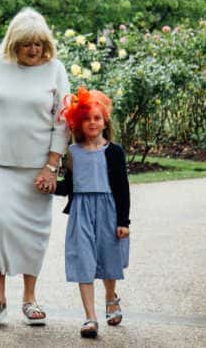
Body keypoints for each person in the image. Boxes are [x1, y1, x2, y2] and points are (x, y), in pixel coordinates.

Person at [0, 7, 70, 327]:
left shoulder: (55, 69)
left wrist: (52, 165)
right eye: (26, 44)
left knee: (34, 231)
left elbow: (61, 122)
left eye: (38, 44)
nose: (33, 50)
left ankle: (30, 298)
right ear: (13, 43)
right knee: (0, 223)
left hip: (38, 166)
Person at [55, 87, 130, 339]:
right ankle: (90, 317)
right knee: (83, 260)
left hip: (109, 210)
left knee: (109, 258)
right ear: (78, 122)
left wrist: (123, 221)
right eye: (86, 119)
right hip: (81, 212)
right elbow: (69, 186)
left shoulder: (114, 152)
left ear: (104, 120)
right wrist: (51, 186)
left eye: (96, 118)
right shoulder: (72, 153)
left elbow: (122, 189)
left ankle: (111, 297)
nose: (92, 123)